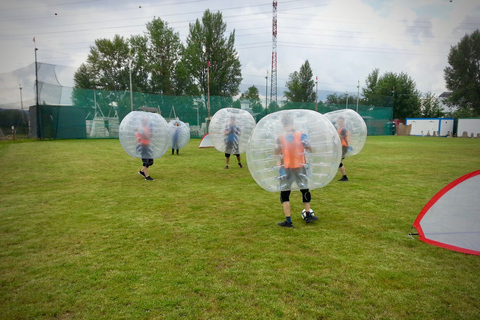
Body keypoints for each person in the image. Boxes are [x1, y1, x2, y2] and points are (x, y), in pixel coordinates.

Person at [275, 115, 317, 227]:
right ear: (292, 122)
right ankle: (308, 215)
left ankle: (288, 221)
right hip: (299, 166)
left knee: (284, 194)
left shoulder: (281, 137)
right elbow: (309, 148)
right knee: (304, 189)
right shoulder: (301, 135)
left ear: (283, 124)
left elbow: (276, 152)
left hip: (285, 168)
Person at [336, 116, 349, 181]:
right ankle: (344, 176)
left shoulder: (343, 129)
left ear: (343, 121)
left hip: (343, 147)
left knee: (338, 162)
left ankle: (345, 177)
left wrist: (347, 146)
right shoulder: (340, 128)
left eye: (341, 121)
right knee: (338, 161)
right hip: (341, 146)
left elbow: (340, 137)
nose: (340, 122)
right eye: (339, 121)